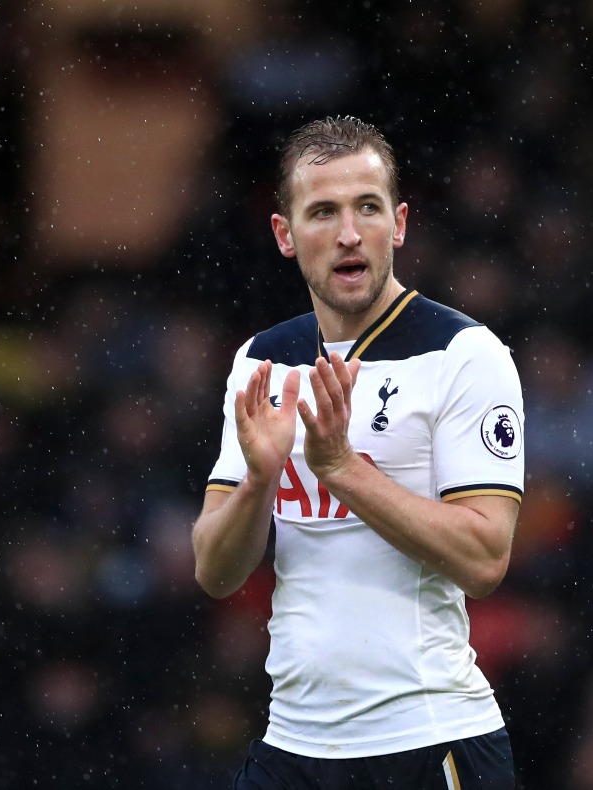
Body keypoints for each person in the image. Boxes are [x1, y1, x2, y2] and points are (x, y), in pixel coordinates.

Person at [193, 116, 525, 789]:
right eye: (323, 212)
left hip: (429, 739)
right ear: (285, 234)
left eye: (367, 208)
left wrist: (342, 470)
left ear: (398, 224)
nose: (349, 233)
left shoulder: (464, 354)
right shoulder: (260, 361)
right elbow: (215, 571)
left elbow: (486, 559)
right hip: (292, 745)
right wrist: (258, 482)